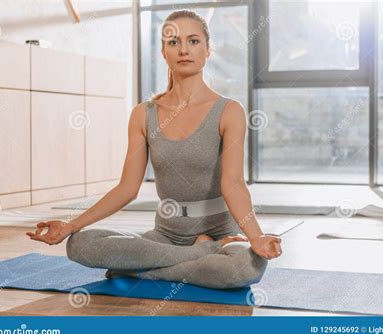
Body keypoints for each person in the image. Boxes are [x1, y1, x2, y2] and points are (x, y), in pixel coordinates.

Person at [26, 9, 282, 289]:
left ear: (208, 50)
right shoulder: (143, 114)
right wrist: (70, 225)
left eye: (194, 41)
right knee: (80, 245)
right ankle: (200, 253)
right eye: (173, 42)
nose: (184, 49)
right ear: (163, 52)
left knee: (246, 268)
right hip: (166, 235)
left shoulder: (229, 111)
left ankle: (139, 269)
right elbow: (127, 188)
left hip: (221, 232)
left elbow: (233, 184)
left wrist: (256, 237)